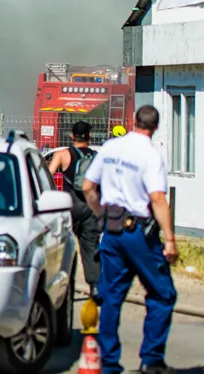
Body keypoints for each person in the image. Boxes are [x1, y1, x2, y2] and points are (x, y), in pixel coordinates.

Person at [82, 106, 178, 374]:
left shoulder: (110, 148)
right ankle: (152, 359)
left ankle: (109, 364)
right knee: (163, 293)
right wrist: (169, 239)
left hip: (111, 233)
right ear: (155, 127)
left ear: (134, 121)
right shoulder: (150, 155)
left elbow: (88, 187)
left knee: (112, 296)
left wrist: (101, 215)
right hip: (138, 233)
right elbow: (158, 198)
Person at [46, 120, 103, 297]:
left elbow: (48, 175)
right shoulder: (96, 156)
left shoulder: (63, 155)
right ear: (90, 136)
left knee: (65, 247)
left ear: (72, 135)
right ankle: (95, 287)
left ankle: (66, 287)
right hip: (90, 206)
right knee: (91, 247)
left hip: (69, 206)